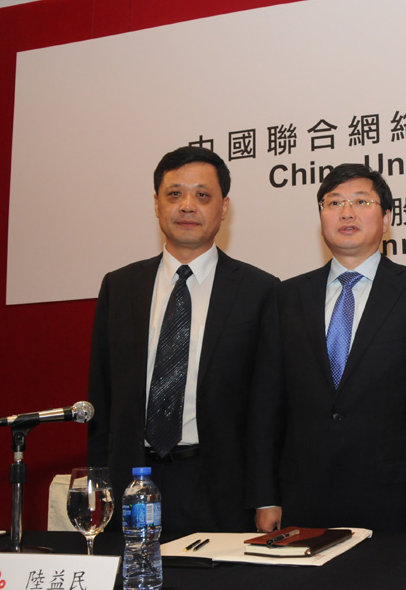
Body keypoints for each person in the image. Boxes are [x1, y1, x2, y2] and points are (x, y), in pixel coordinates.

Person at [246, 163, 406, 533]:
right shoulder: (286, 297)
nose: (346, 213)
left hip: (394, 499)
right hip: (303, 498)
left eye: (361, 202)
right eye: (333, 203)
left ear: (387, 219)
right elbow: (266, 405)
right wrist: (265, 496)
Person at [87, 145, 278, 532]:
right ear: (156, 204)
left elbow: (268, 407)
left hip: (221, 489)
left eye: (202, 195)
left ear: (223, 208)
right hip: (131, 483)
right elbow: (101, 397)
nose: (187, 206)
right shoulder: (119, 287)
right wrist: (100, 481)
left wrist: (266, 495)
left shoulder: (260, 291)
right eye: (174, 194)